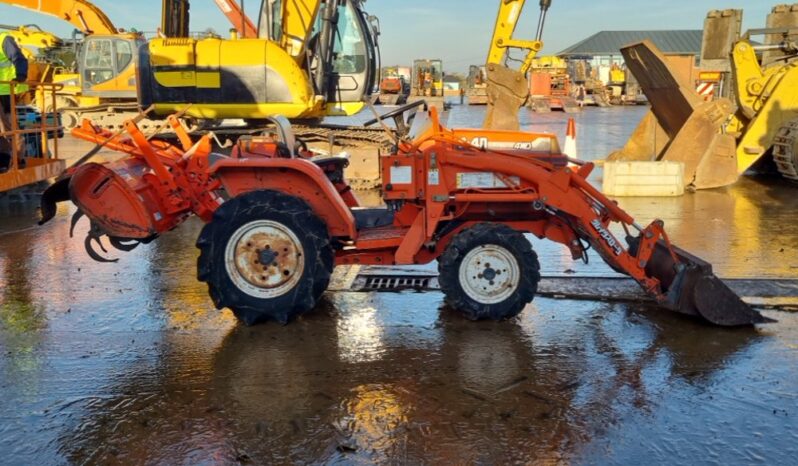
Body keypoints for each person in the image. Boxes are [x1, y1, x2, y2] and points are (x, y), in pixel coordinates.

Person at [0, 32, 28, 173]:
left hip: (6, 90)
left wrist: (20, 76)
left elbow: (19, 59)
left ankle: (12, 158)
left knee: (8, 126)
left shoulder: (4, 40)